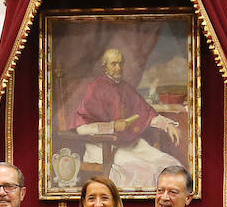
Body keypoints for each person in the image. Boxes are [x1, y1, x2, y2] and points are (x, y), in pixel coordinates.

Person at [71, 47, 182, 189]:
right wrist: (113, 126)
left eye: (121, 63)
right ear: (105, 66)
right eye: (114, 64)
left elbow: (146, 113)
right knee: (146, 172)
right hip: (103, 147)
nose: (118, 67)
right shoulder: (95, 89)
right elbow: (81, 128)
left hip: (129, 144)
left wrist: (167, 125)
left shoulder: (125, 88)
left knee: (170, 165)